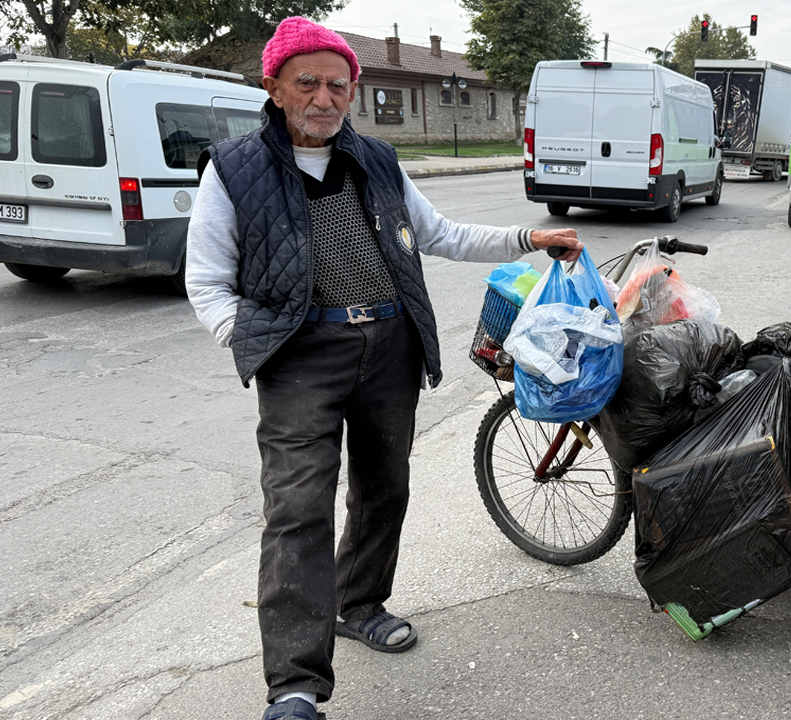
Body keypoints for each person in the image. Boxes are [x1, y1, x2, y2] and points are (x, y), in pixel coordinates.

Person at [185, 17, 583, 720]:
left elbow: (442, 235)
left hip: (388, 347)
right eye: (306, 82)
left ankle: (359, 602)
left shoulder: (376, 158)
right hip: (299, 355)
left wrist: (530, 236)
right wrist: (251, 342)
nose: (323, 97)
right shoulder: (234, 168)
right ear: (273, 87)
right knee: (296, 511)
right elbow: (207, 280)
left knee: (383, 488)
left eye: (338, 85)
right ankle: (296, 687)